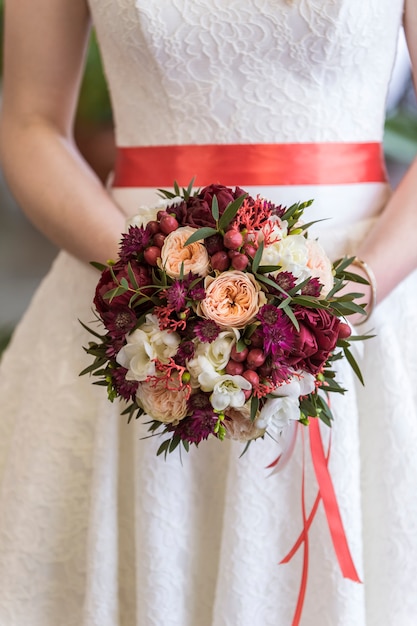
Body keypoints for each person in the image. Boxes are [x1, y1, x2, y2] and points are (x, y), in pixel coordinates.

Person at [0, 1, 416, 624]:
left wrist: (347, 298)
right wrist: (143, 283)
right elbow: (30, 122)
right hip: (139, 317)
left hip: (359, 301)